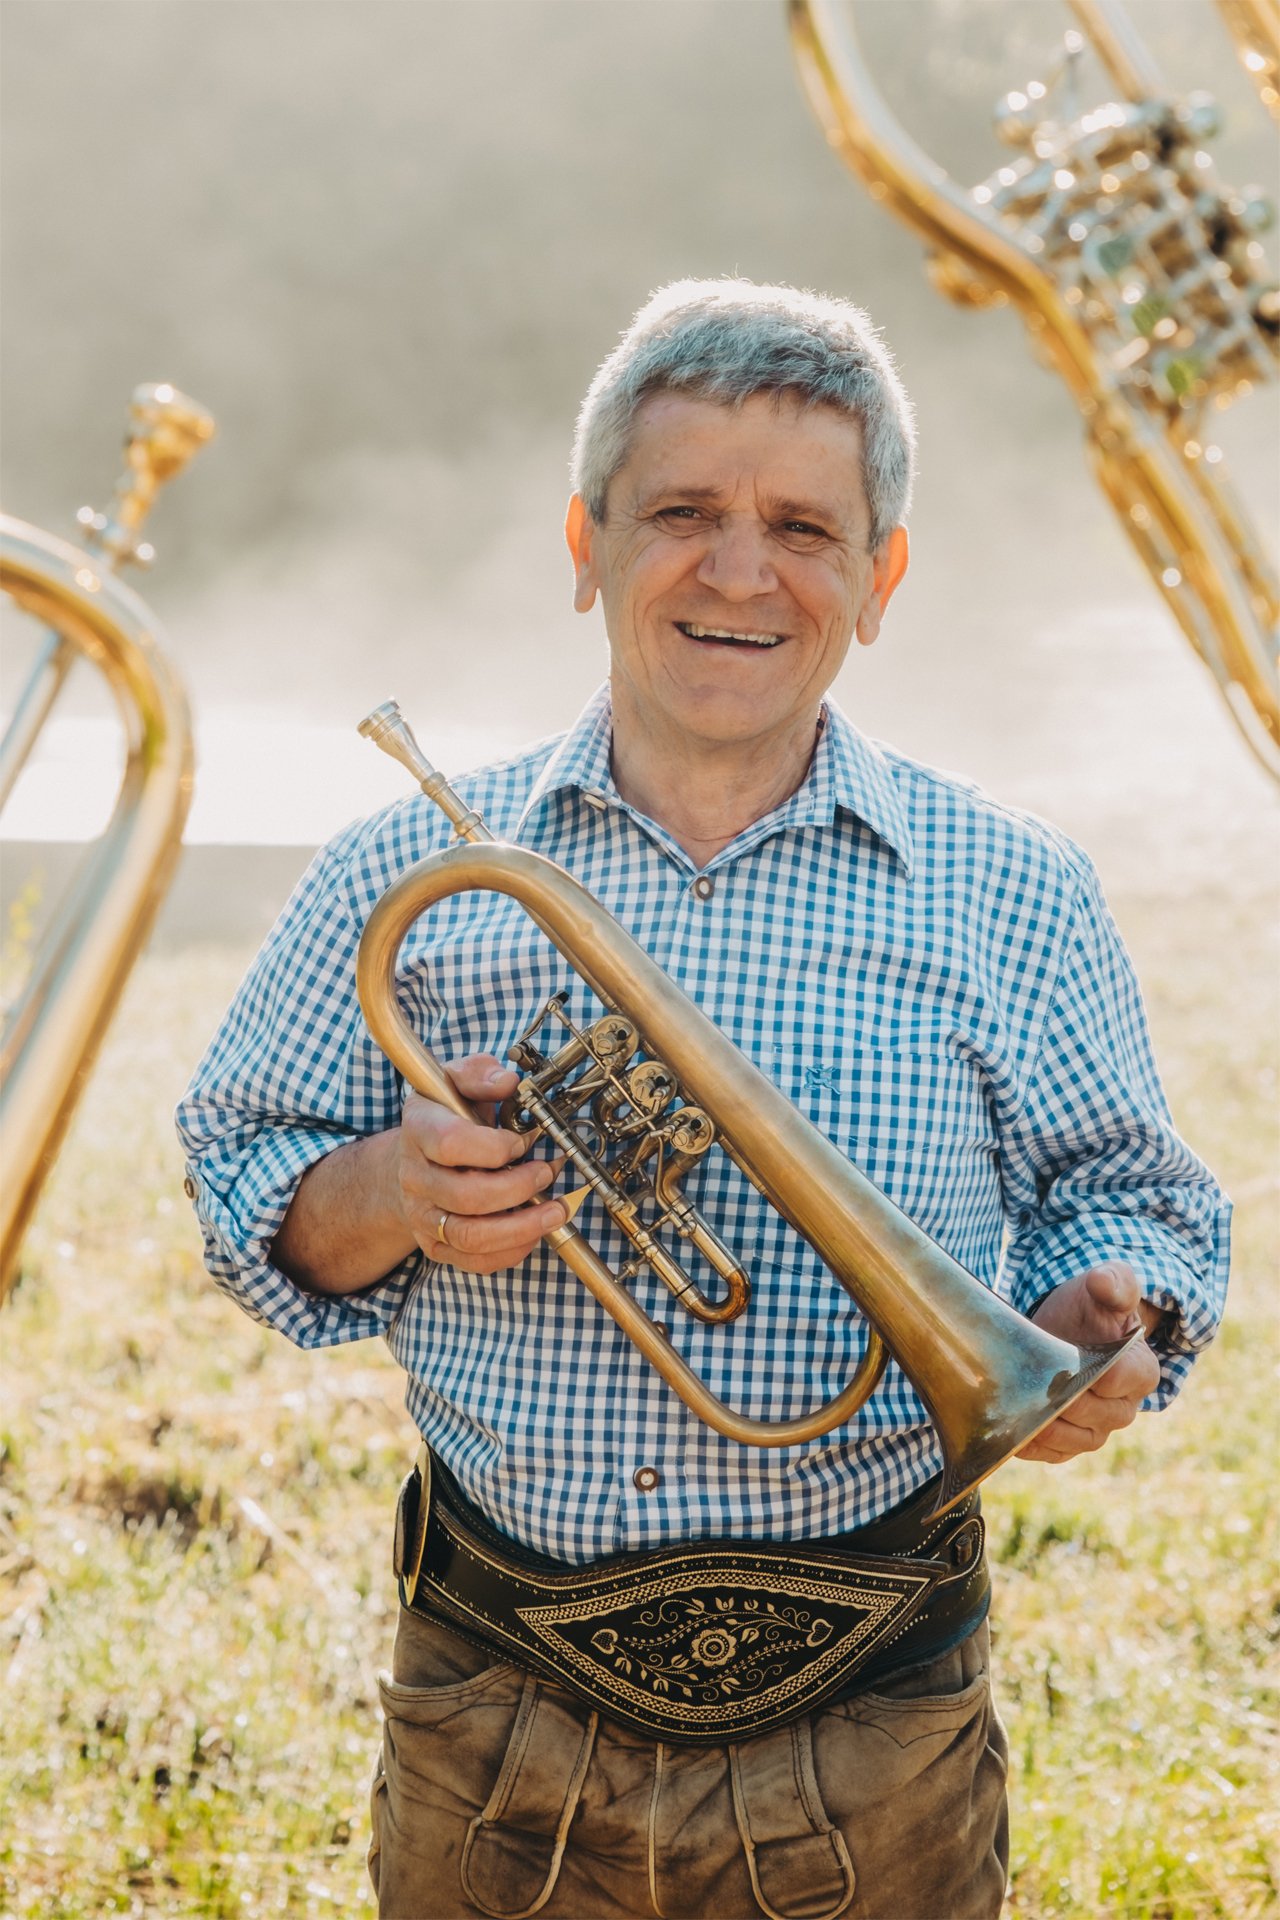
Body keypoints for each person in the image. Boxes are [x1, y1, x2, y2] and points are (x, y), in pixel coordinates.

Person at [177, 279, 1229, 1920]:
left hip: (879, 1731)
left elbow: (1139, 1199)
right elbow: (240, 1167)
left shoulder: (1015, 888)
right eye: (683, 512)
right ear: (586, 544)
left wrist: (1111, 1318)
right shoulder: (414, 870)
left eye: (804, 528)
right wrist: (392, 1189)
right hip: (496, 1719)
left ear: (879, 579)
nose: (741, 571)